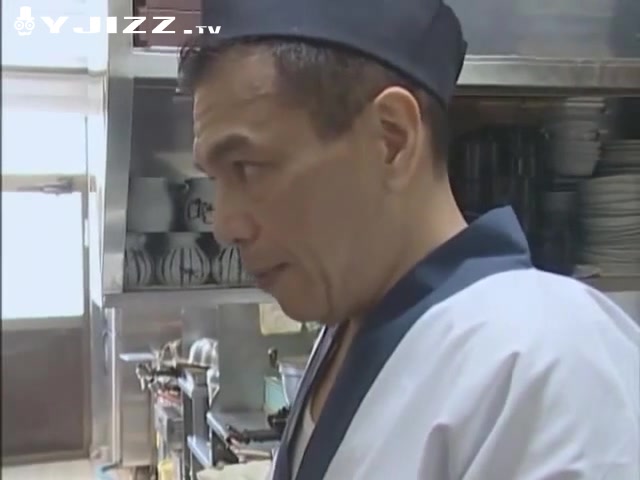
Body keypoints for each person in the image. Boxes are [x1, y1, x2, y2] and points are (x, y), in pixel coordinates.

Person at [179, 0, 640, 478]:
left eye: (248, 167)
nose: (224, 225)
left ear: (391, 137)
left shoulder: (546, 363)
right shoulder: (349, 325)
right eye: (215, 178)